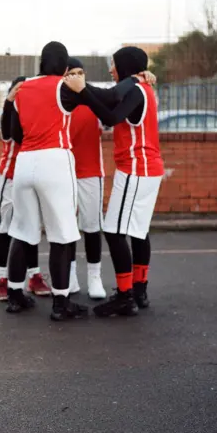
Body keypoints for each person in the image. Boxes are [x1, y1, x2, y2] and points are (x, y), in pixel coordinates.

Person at [6, 41, 137, 320]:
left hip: (25, 161)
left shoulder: (22, 88)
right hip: (55, 159)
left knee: (22, 231)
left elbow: (15, 133)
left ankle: (15, 295)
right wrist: (133, 79)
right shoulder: (63, 87)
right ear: (65, 68)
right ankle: (61, 302)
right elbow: (111, 97)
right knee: (62, 235)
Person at [64, 46, 164, 317]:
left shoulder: (134, 90)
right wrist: (82, 89)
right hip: (147, 169)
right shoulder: (139, 88)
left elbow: (109, 116)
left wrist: (83, 91)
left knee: (114, 231)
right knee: (138, 231)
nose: (111, 69)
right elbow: (108, 97)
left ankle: (125, 295)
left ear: (125, 66)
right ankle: (139, 289)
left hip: (136, 169)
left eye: (114, 65)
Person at [0, 76, 51, 301]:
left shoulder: (36, 116)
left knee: (31, 228)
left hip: (32, 177)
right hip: (9, 178)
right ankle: (1, 279)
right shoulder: (10, 115)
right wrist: (9, 100)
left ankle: (33, 275)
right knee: (5, 228)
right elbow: (8, 131)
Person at [66, 57, 106, 300]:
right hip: (64, 173)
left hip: (91, 173)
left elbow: (119, 97)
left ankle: (94, 277)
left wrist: (143, 75)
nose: (79, 76)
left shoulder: (94, 101)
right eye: (73, 73)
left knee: (92, 227)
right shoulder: (59, 102)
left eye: (82, 72)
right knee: (67, 230)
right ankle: (69, 276)